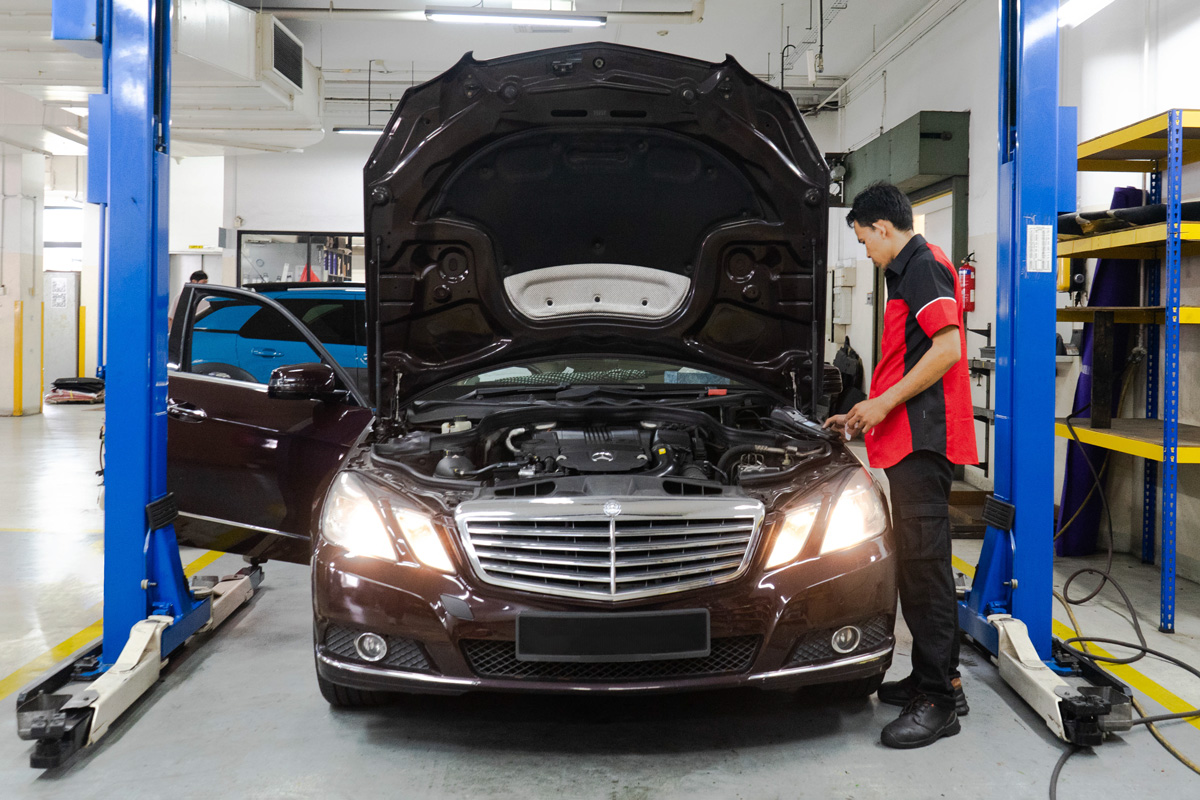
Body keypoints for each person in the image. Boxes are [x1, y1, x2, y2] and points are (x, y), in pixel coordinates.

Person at [824, 181, 978, 749]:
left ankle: (940, 701)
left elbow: (947, 348)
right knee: (917, 567)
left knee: (926, 569)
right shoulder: (907, 268)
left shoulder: (923, 265)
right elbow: (905, 357)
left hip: (923, 442)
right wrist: (865, 412)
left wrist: (884, 403)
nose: (865, 251)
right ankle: (935, 678)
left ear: (882, 228)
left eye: (864, 240)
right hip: (904, 436)